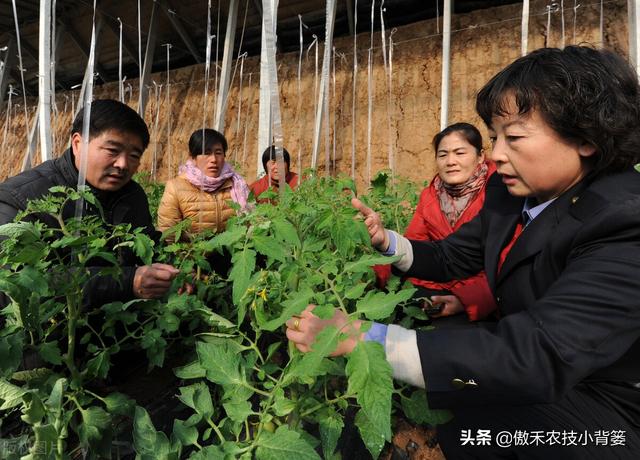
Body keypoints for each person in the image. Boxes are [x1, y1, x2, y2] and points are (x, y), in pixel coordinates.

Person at [286, 46, 640, 459]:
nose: (497, 154)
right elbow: (452, 257)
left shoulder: (624, 221)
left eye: (516, 137)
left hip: (605, 408)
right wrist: (386, 242)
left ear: (585, 138)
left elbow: (537, 354)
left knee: (454, 432)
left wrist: (366, 338)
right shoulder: (511, 197)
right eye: (494, 136)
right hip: (537, 371)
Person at [0, 99, 179, 306]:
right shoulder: (20, 198)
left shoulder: (132, 195)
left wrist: (172, 268)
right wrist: (126, 282)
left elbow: (148, 245)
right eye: (112, 150)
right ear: (77, 144)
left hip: (116, 327)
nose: (122, 164)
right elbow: (12, 285)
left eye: (133, 155)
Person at [375, 123, 496, 321]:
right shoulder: (431, 195)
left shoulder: (499, 192)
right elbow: (415, 242)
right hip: (434, 283)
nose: (450, 161)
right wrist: (374, 273)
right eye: (443, 155)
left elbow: (503, 265)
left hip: (480, 294)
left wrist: (464, 300)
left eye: (460, 153)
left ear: (480, 156)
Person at [157, 128, 250, 239]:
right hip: (194, 254)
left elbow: (252, 223)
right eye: (206, 153)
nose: (214, 159)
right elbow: (169, 233)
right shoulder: (175, 188)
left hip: (235, 254)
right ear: (193, 157)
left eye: (218, 152)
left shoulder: (238, 185)